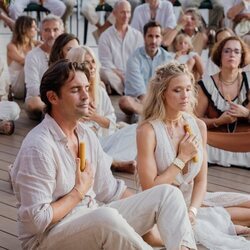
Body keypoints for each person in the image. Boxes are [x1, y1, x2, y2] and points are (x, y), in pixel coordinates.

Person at [10, 59, 197, 250]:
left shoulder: (86, 135)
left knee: (168, 194)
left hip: (90, 218)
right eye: (75, 90)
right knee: (105, 217)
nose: (86, 96)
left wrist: (148, 208)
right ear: (53, 97)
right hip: (47, 237)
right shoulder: (39, 147)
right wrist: (77, 193)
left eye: (86, 87)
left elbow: (111, 189)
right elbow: (36, 221)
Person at [136, 61, 250, 249]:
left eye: (188, 89)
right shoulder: (148, 131)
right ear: (162, 93)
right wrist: (182, 158)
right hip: (161, 206)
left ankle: (206, 223)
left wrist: (193, 211)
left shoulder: (198, 126)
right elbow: (151, 189)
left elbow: (201, 181)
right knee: (152, 233)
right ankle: (216, 225)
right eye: (177, 90)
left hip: (193, 201)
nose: (185, 96)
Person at [66, 45, 135, 174]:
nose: (92, 66)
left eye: (93, 61)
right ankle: (112, 163)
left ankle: (109, 159)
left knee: (136, 130)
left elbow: (111, 123)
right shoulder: (69, 93)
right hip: (82, 146)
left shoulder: (100, 91)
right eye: (86, 62)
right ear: (77, 65)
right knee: (84, 138)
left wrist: (95, 117)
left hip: (105, 143)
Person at [196, 36, 250, 168]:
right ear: (219, 55)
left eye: (236, 52)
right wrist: (219, 121)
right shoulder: (206, 84)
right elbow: (195, 120)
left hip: (245, 140)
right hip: (215, 140)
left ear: (242, 57)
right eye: (227, 51)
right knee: (196, 139)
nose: (232, 54)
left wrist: (246, 113)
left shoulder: (249, 80)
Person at [119, 21, 173, 116]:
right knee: (124, 101)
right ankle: (153, 115)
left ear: (161, 38)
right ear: (144, 38)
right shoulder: (134, 59)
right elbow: (141, 93)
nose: (153, 41)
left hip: (160, 101)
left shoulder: (168, 59)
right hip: (139, 101)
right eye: (150, 36)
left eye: (157, 36)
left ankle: (150, 114)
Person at [98, 0, 144, 95]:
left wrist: (130, 75)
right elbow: (106, 62)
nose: (126, 16)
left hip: (133, 75)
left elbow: (140, 59)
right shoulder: (105, 36)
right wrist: (122, 76)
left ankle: (119, 89)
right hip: (115, 75)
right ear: (114, 14)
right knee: (103, 72)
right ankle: (130, 90)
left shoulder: (137, 35)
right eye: (122, 12)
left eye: (128, 12)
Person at [24, 14, 64, 121]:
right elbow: (32, 88)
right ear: (41, 33)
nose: (51, 34)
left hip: (64, 96)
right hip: (41, 98)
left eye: (55, 30)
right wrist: (54, 98)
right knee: (34, 103)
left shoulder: (66, 52)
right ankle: (58, 117)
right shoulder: (32, 56)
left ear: (62, 32)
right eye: (47, 30)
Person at [7, 15, 41, 99]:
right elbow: (24, 63)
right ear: (24, 28)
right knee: (29, 65)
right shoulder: (12, 46)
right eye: (33, 27)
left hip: (30, 84)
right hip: (17, 86)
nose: (36, 29)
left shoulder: (36, 44)